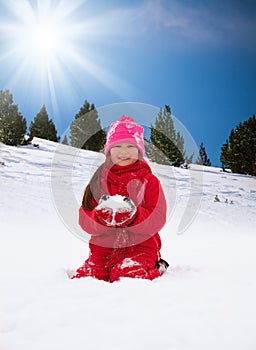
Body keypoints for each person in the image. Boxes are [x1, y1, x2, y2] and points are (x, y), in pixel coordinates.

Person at [71, 115, 168, 282]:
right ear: (109, 151)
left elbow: (158, 218)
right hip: (103, 250)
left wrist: (134, 217)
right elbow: (84, 218)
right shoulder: (99, 181)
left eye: (130, 146)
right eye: (118, 146)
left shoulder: (150, 181)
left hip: (141, 249)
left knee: (126, 276)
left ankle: (157, 270)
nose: (124, 151)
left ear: (139, 150)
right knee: (87, 278)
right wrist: (99, 218)